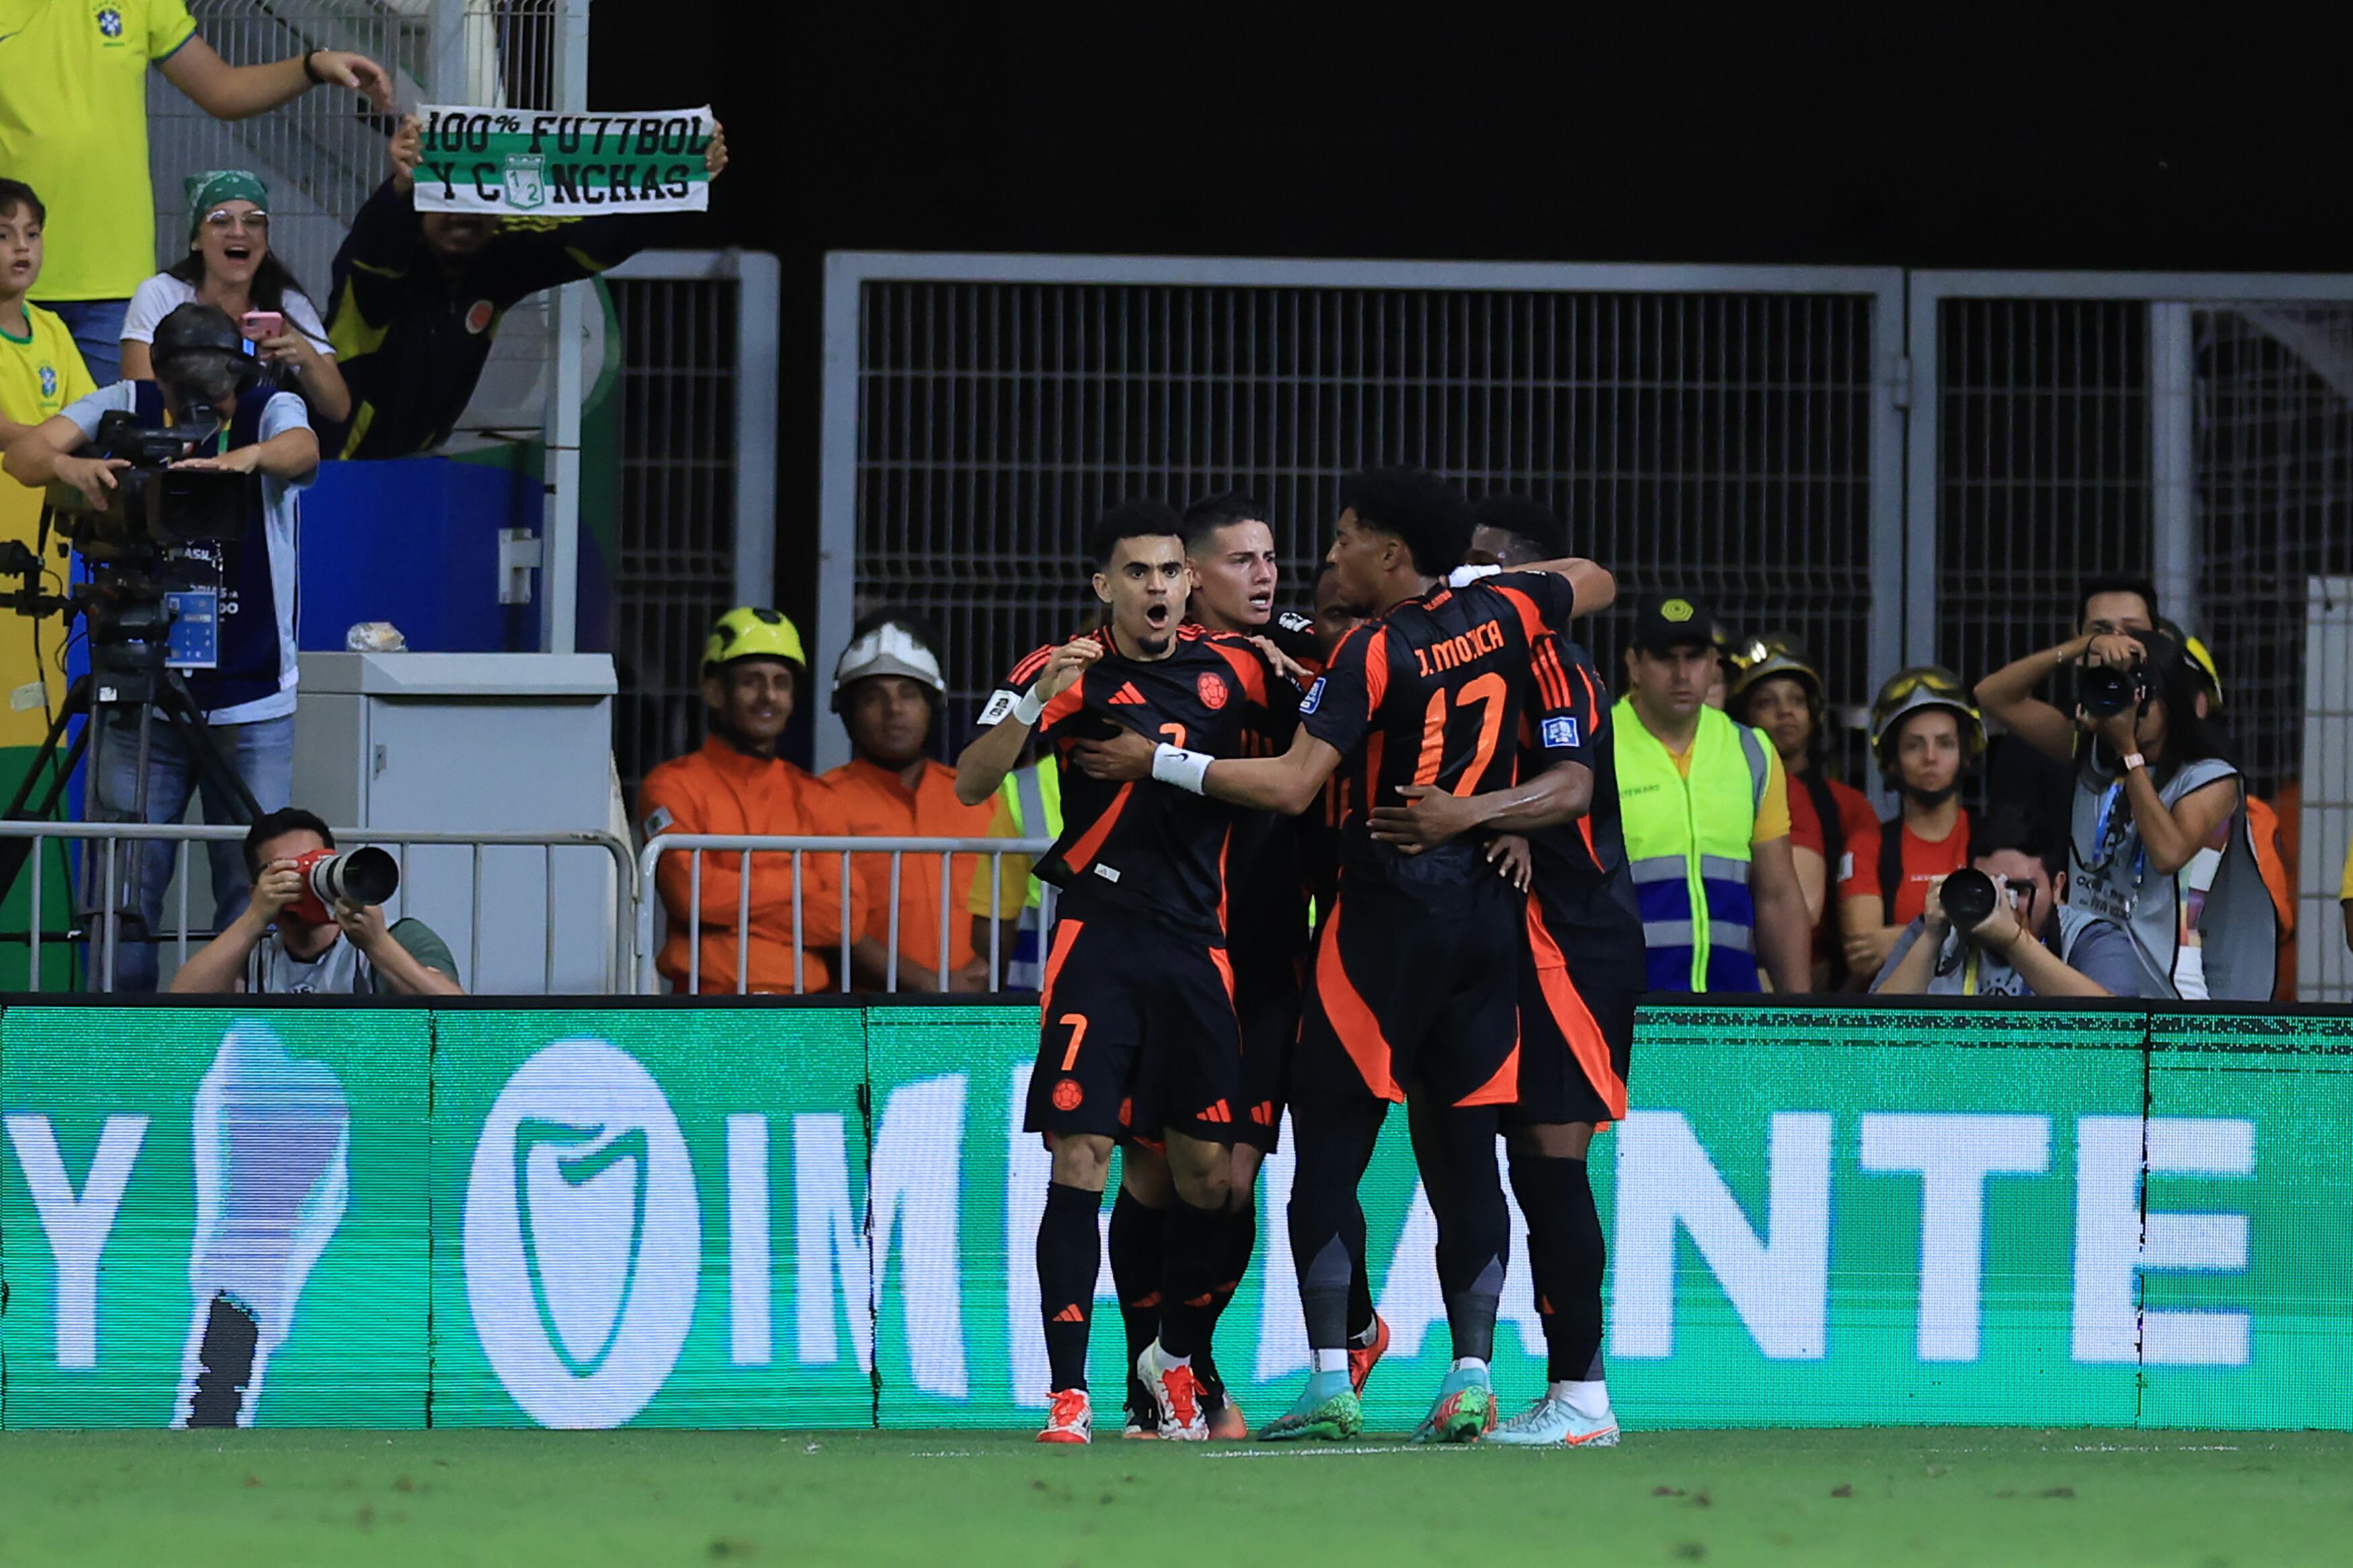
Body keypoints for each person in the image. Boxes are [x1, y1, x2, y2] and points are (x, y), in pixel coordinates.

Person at [1078, 467, 1616, 1444]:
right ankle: (1462, 1375)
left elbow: (1293, 786)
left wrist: (1156, 757)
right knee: (1447, 1157)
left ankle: (1334, 1371)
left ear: (1390, 555)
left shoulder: (1370, 651)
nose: (1310, 571)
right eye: (1259, 561)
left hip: (1361, 928)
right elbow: (1593, 579)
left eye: (1332, 548)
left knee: (1322, 1152)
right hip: (1459, 923)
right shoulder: (1497, 608)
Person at [954, 500, 1298, 1445]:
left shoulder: (1237, 671)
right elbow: (971, 781)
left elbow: (1324, 744)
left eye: (1167, 573)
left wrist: (1290, 661)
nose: (1154, 587)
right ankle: (1070, 1397)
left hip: (1200, 950)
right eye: (1135, 573)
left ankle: (1174, 1362)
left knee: (1207, 1184)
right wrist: (1032, 701)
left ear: (1191, 585)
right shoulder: (1061, 670)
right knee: (1082, 1157)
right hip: (1098, 942)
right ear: (1104, 587)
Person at [1367, 493, 1637, 1448]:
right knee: (1481, 1155)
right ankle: (1492, 1373)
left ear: (1522, 581)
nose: (1461, 580)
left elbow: (1571, 790)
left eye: (1484, 566)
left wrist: (1480, 816)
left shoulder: (1554, 659)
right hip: (1501, 934)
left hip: (1575, 933)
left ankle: (1582, 1398)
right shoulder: (1448, 657)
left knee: (1551, 1165)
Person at [3, 302, 317, 991]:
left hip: (253, 694)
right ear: (163, 379)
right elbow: (24, 457)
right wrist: (71, 466)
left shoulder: (271, 408)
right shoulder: (126, 400)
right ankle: (124, 1047)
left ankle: (238, 1044)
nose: (203, 399)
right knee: (121, 894)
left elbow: (304, 452)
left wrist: (244, 461)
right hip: (136, 686)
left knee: (254, 892)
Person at [0, 5, 389, 381]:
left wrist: (313, 66)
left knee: (114, 440)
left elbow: (223, 89)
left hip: (113, 286)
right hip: (7, 283)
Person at [325, 114, 728, 459]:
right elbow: (375, 248)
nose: (462, 218)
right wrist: (398, 188)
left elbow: (594, 241)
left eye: (479, 204)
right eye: (447, 202)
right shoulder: (378, 271)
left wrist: (683, 181)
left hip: (411, 464)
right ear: (421, 200)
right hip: (337, 464)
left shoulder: (495, 266)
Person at [1975, 624, 2276, 999]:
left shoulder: (2211, 778)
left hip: (2177, 991)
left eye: (2140, 694)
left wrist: (2128, 751)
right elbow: (1992, 696)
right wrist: (2082, 647)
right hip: (2094, 970)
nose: (2130, 707)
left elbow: (2169, 854)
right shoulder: (2092, 753)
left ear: (2171, 700)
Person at [637, 608, 877, 994]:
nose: (769, 697)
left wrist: (730, 906)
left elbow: (843, 920)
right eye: (752, 682)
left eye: (781, 683)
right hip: (706, 1010)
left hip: (804, 1015)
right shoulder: (671, 786)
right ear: (715, 691)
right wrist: (799, 881)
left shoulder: (817, 797)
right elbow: (691, 897)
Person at [1611, 595, 1810, 995]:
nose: (1682, 674)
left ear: (1714, 664)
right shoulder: (1597, 746)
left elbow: (1778, 895)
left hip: (1728, 1007)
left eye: (1695, 657)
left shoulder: (1752, 750)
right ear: (1634, 665)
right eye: (1666, 658)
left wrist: (1798, 1018)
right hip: (1622, 1009)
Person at [822, 611, 996, 991]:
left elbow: (1015, 907)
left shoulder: (981, 798)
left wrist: (990, 974)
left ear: (932, 706)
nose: (894, 710)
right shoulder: (820, 801)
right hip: (863, 1022)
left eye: (909, 694)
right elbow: (828, 922)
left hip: (978, 1015)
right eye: (873, 697)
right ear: (849, 712)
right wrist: (932, 985)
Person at [122, 172, 349, 423]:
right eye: (221, 221)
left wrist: (307, 359)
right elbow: (142, 399)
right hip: (176, 439)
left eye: (253, 222)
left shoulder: (288, 303)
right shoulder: (161, 294)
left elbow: (338, 410)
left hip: (255, 444)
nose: (239, 232)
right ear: (196, 240)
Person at [166, 809, 461, 995]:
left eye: (315, 865)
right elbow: (180, 1009)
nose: (307, 879)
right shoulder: (253, 957)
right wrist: (253, 919)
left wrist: (378, 945)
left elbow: (457, 1017)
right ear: (258, 890)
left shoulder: (398, 937)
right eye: (287, 871)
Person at [1871, 807, 2145, 998]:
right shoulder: (1933, 929)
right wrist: (1931, 937)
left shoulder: (2090, 938)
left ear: (2058, 886)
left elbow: (2117, 1027)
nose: (2003, 904)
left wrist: (2014, 942)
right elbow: (1871, 1031)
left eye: (2019, 890)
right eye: (1990, 888)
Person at [1730, 633, 1878, 989]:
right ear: (1745, 717)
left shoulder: (1851, 805)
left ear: (1814, 712)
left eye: (1796, 700)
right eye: (1767, 702)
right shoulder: (1727, 793)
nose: (1785, 712)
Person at [0, 179, 93, 738]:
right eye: (4, 235)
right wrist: (43, 444)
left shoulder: (54, 330)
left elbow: (89, 417)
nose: (22, 247)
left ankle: (36, 828)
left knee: (36, 707)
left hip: (45, 555)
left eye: (32, 234)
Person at [1841, 668, 1981, 981]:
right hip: (1895, 1024)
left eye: (1945, 743)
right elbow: (1864, 957)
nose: (1930, 757)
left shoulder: (1989, 839)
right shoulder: (1867, 845)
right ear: (1892, 761)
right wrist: (1968, 931)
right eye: (1913, 745)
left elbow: (2014, 938)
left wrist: (1897, 938)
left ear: (1966, 755)